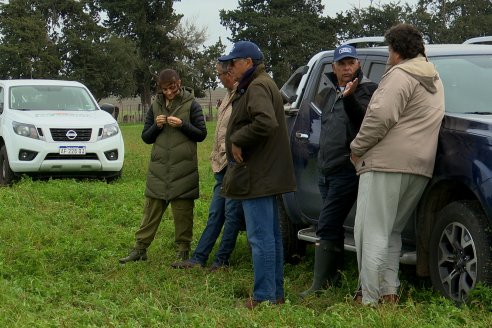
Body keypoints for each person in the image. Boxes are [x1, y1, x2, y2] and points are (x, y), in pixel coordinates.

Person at [350, 23, 445, 306]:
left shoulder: (399, 75)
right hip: (420, 165)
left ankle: (368, 298)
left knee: (371, 231)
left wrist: (356, 148)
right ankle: (389, 292)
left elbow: (379, 118)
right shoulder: (434, 79)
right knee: (392, 232)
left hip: (385, 163)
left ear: (395, 51)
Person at [218, 41, 296, 309]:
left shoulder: (257, 86)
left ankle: (264, 297)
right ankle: (275, 295)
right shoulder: (261, 83)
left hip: (258, 174)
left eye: (233, 62)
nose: (230, 67)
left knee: (260, 238)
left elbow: (265, 122)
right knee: (271, 237)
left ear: (248, 63)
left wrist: (238, 138)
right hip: (265, 173)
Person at [300, 45, 377, 297]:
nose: (346, 68)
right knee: (332, 224)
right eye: (341, 64)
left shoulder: (367, 90)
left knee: (327, 222)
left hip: (347, 169)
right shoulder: (329, 93)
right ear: (334, 67)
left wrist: (350, 96)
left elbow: (363, 120)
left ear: (358, 65)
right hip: (326, 168)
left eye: (351, 63)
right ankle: (335, 274)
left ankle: (319, 285)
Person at [119, 68, 207, 264]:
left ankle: (182, 252)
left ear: (179, 83)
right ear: (160, 88)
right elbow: (145, 137)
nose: (169, 92)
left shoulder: (192, 105)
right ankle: (140, 249)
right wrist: (156, 126)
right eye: (165, 89)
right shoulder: (155, 105)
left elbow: (201, 134)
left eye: (172, 88)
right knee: (150, 213)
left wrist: (183, 125)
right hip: (159, 171)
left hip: (184, 170)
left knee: (183, 214)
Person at [171, 62, 244, 271]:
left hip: (234, 163)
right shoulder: (229, 95)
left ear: (230, 73)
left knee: (231, 214)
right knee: (216, 213)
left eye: (220, 75)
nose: (219, 78)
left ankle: (221, 260)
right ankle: (198, 259)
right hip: (221, 163)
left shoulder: (244, 95)